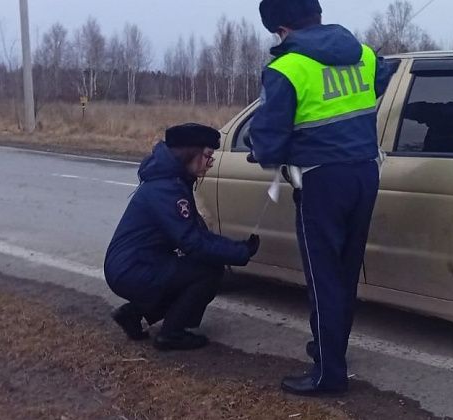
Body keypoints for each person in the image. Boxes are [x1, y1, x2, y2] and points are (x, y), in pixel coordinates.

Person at [251, 0, 394, 397]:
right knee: (344, 274)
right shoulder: (363, 54)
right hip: (366, 172)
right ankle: (331, 349)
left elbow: (268, 139)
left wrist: (267, 153)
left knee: (322, 278)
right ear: (316, 14)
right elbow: (382, 76)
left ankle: (328, 375)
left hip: (322, 181)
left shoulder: (286, 68)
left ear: (280, 28)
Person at [104, 123, 259, 351]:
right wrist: (239, 252)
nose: (210, 162)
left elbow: (196, 232)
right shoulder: (167, 188)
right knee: (208, 272)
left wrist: (236, 248)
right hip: (132, 268)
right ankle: (171, 334)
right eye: (207, 155)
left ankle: (133, 313)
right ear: (190, 154)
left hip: (133, 264)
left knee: (193, 269)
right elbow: (192, 242)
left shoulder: (172, 180)